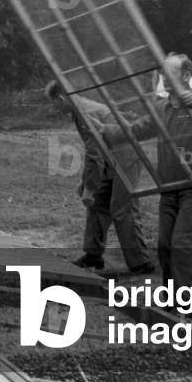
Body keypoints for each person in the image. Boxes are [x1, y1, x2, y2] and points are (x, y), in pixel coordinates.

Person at [97, 54, 192, 315]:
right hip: (170, 188)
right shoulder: (161, 108)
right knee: (165, 246)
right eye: (162, 73)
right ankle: (172, 304)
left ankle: (188, 309)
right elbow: (138, 129)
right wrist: (107, 130)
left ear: (184, 76)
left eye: (170, 73)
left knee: (184, 244)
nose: (164, 78)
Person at [45, 80, 155, 275]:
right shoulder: (79, 109)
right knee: (97, 203)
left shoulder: (85, 114)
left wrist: (89, 187)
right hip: (110, 156)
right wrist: (87, 184)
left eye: (54, 104)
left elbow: (94, 155)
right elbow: (94, 153)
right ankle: (93, 256)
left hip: (126, 156)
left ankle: (141, 262)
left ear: (61, 98)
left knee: (122, 208)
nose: (55, 108)